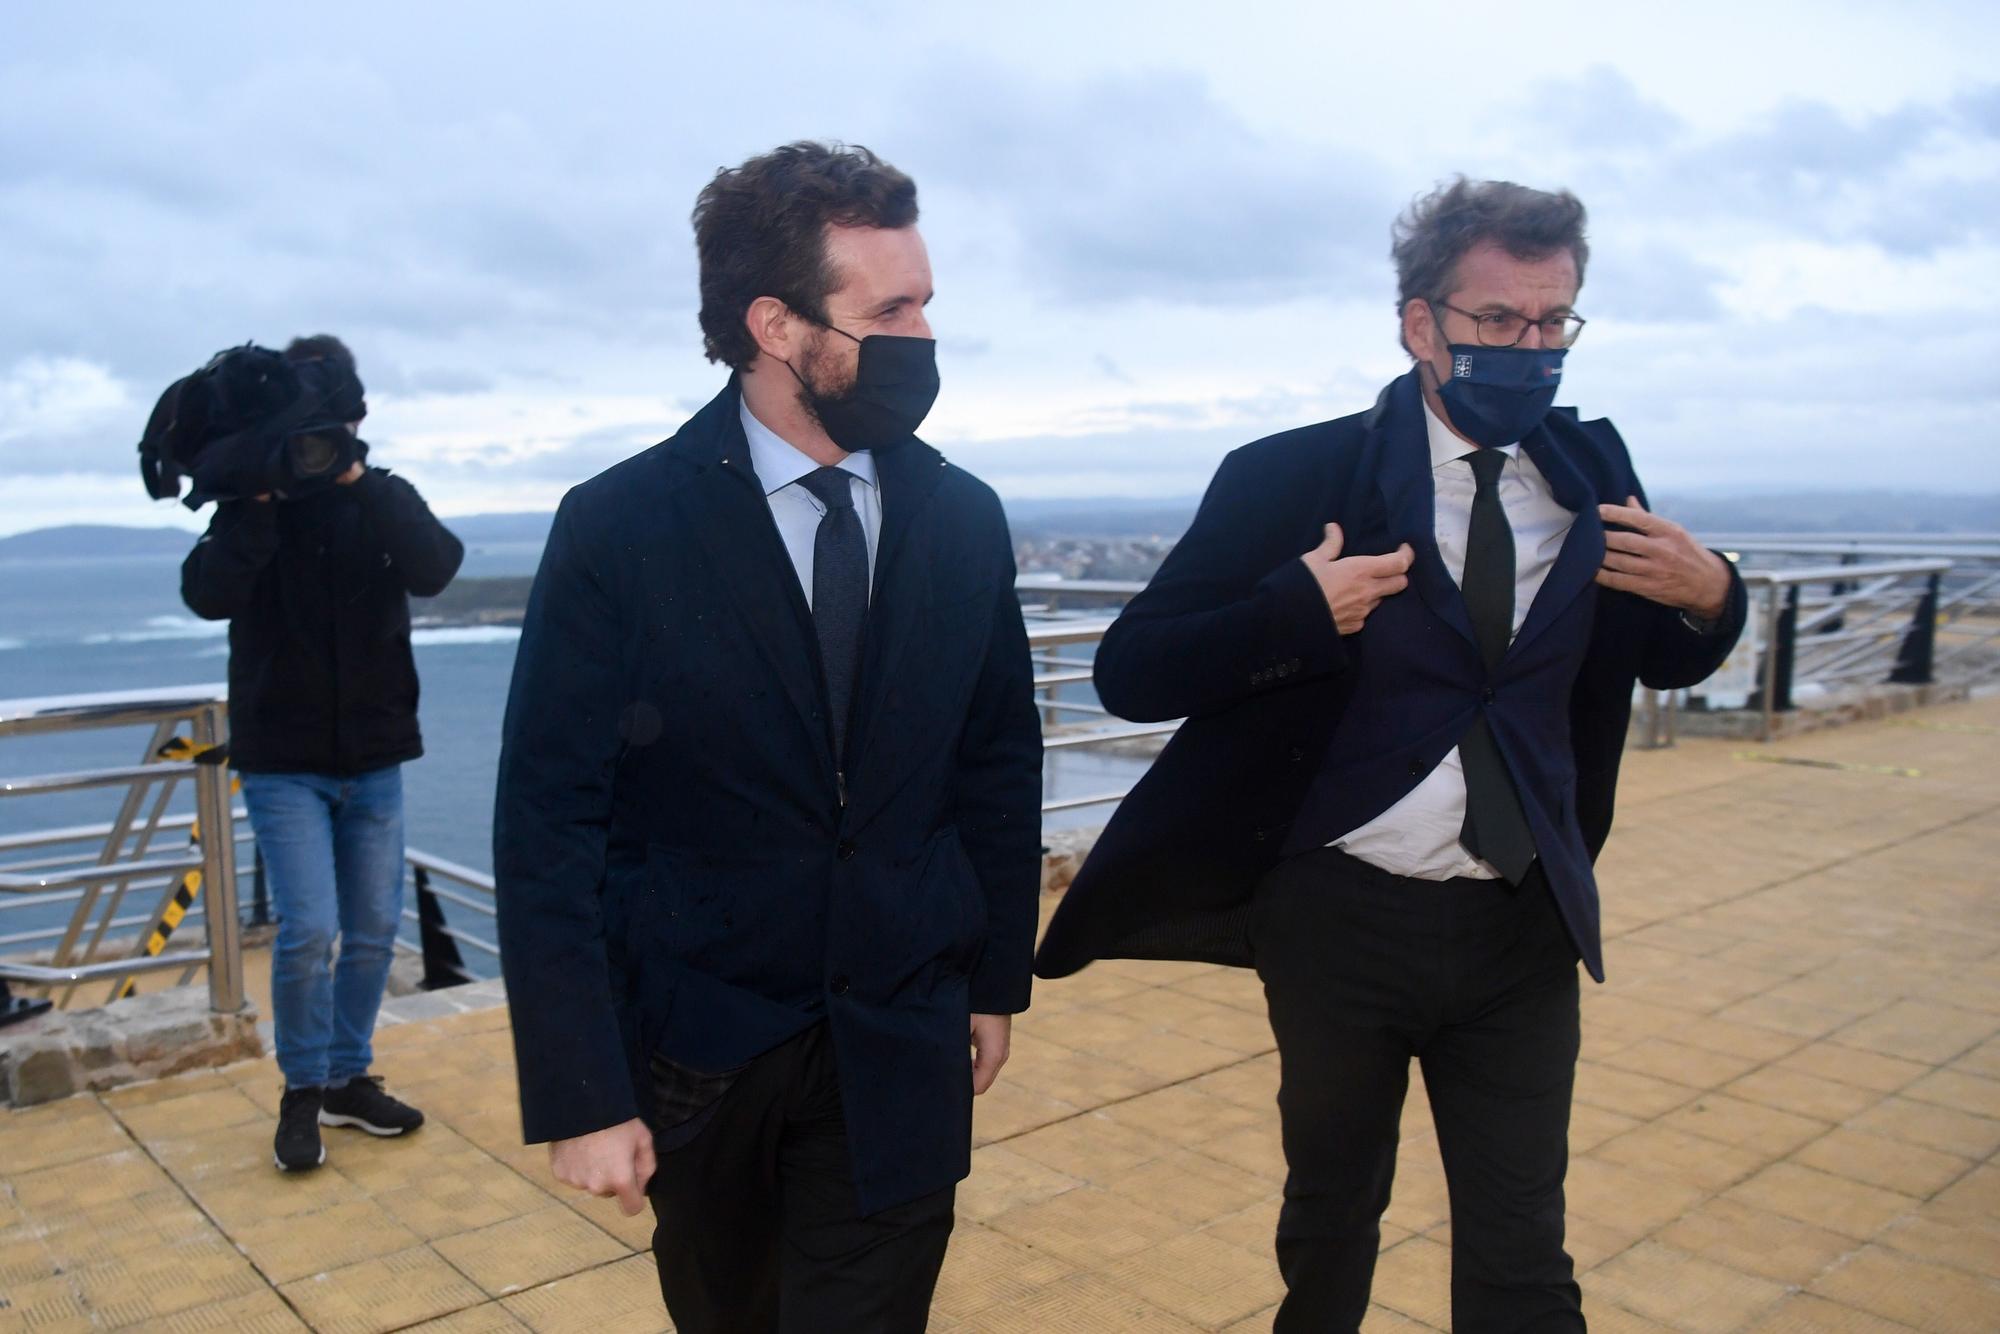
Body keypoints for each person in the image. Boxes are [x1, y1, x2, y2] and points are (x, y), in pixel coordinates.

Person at [1035, 179, 1748, 1331]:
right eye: (1496, 322)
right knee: (1330, 1218)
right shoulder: (1291, 475)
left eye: (1552, 321)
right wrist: (1290, 613)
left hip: (1521, 921)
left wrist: (1717, 595)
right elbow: (1133, 669)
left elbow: (1660, 658)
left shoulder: (1593, 478)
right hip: (1338, 918)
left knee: (1524, 1255)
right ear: (1420, 326)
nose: (1529, 347)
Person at [493, 142, 1042, 1333]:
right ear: (774, 324)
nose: (921, 338)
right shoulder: (617, 527)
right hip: (702, 1057)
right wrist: (582, 1091)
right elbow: (550, 821)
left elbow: (997, 759)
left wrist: (997, 978)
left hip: (902, 1040)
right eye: (888, 309)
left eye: (926, 305)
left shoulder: (963, 519)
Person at [181, 333, 462, 1172]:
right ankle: (301, 1092)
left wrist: (359, 483)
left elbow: (437, 565)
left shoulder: (379, 496)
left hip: (374, 755)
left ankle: (347, 1080)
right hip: (284, 760)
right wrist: (261, 505)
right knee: (309, 930)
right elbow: (205, 594)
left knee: (372, 930)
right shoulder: (251, 509)